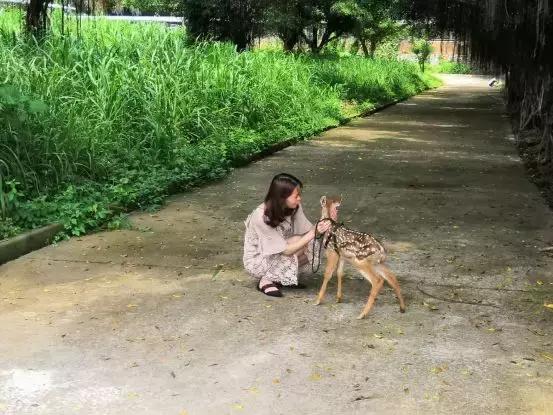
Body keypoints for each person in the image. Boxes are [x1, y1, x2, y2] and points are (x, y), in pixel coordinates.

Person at [243, 173, 331, 297]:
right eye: (296, 196)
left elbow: (307, 230)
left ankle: (281, 277)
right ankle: (267, 280)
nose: (300, 198)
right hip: (258, 260)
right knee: (301, 241)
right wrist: (313, 233)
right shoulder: (261, 216)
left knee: (312, 243)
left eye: (300, 195)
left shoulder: (294, 207)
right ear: (282, 197)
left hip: (280, 249)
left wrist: (324, 220)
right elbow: (286, 251)